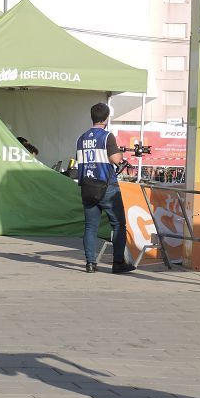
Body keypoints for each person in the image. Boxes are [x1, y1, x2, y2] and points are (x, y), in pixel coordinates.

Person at [75, 103, 134, 274]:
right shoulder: (107, 136)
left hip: (87, 186)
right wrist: (121, 156)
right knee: (118, 224)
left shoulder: (81, 138)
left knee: (90, 227)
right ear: (107, 118)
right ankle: (118, 262)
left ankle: (90, 264)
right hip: (106, 185)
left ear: (92, 117)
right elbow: (116, 159)